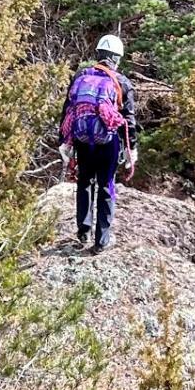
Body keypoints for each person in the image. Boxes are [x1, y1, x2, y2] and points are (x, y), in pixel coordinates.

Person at [60, 33, 138, 254]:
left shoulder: (81, 76)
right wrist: (132, 148)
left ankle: (83, 231)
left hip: (83, 140)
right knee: (106, 185)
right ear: (116, 58)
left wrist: (63, 142)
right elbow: (129, 120)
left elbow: (68, 110)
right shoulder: (121, 82)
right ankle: (101, 240)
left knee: (84, 181)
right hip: (108, 142)